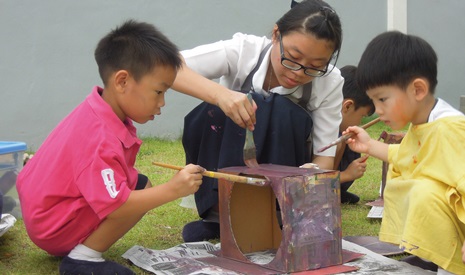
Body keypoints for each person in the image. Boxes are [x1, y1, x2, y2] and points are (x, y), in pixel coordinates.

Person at [16, 20, 204, 275]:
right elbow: (117, 205)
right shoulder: (98, 137)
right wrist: (172, 189)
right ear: (122, 81)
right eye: (158, 92)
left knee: (140, 184)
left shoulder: (99, 110)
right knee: (138, 194)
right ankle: (83, 260)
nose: (162, 103)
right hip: (53, 227)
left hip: (50, 211)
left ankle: (83, 249)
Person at [172, 0, 344, 242]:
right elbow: (166, 66)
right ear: (276, 35)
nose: (298, 73)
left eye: (314, 67)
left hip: (286, 173)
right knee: (215, 109)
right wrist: (221, 95)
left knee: (282, 111)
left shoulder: (331, 82)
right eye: (292, 58)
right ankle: (216, 217)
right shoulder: (243, 50)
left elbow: (325, 154)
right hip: (228, 153)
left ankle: (276, 217)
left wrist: (313, 174)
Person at [344, 31, 465, 275]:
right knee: (415, 185)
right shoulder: (423, 121)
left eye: (383, 99)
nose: (377, 111)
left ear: (417, 90)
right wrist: (369, 146)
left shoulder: (450, 128)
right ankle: (433, 259)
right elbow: (407, 156)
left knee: (424, 191)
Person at [336, 65, 375, 204]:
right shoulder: (316, 130)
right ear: (347, 106)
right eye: (362, 116)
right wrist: (346, 175)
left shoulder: (341, 133)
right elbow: (308, 180)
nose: (359, 122)